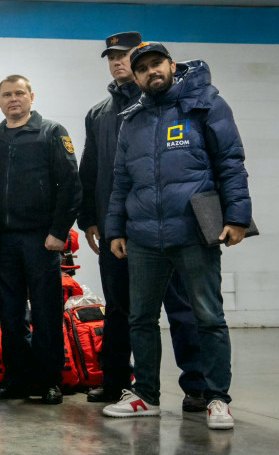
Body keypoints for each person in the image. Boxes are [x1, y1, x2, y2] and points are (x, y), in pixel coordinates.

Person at [103, 42, 252, 430]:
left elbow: (231, 162)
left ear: (171, 65)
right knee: (141, 318)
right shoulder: (132, 119)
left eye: (157, 64)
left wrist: (237, 217)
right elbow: (121, 180)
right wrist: (115, 229)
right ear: (136, 77)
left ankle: (217, 399)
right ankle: (146, 395)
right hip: (143, 237)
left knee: (209, 317)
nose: (151, 71)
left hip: (193, 232)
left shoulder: (206, 104)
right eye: (143, 68)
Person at [78, 33, 205, 408]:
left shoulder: (167, 104)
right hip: (117, 228)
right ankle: (116, 382)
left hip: (166, 223)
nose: (118, 62)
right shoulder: (99, 114)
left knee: (180, 306)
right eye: (111, 57)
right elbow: (90, 170)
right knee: (119, 308)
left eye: (125, 55)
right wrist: (90, 219)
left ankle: (196, 384)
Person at [0, 75, 81, 405]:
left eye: (19, 93)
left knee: (46, 313)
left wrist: (59, 232)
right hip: (5, 242)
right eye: (7, 94)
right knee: (10, 315)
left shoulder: (51, 133)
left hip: (42, 240)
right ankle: (17, 379)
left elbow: (71, 185)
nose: (14, 99)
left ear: (31, 97)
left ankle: (50, 380)